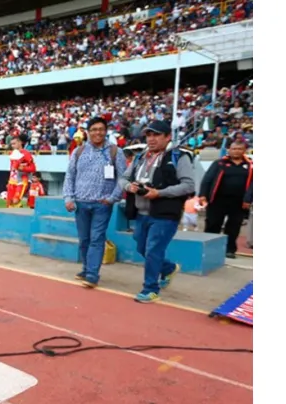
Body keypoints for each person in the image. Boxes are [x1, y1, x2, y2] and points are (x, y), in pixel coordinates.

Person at [118, 120, 195, 303]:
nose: (151, 139)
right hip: (141, 212)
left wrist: (159, 193)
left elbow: (189, 186)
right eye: (148, 135)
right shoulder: (140, 157)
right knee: (141, 246)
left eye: (156, 135)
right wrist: (130, 187)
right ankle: (168, 268)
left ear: (168, 137)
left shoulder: (179, 156)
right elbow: (123, 178)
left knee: (153, 249)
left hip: (165, 214)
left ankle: (150, 289)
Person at [62, 117, 127, 288]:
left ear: (106, 131)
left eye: (101, 129)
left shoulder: (115, 152)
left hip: (102, 204)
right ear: (88, 132)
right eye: (93, 129)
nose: (97, 132)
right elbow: (70, 176)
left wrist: (112, 198)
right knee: (84, 239)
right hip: (81, 203)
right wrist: (68, 197)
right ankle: (85, 268)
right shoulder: (79, 151)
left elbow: (123, 178)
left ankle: (92, 274)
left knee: (97, 238)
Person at [198, 139, 253, 258]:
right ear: (229, 150)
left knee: (234, 226)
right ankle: (209, 249)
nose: (236, 151)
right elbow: (207, 179)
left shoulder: (250, 166)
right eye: (234, 149)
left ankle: (229, 250)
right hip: (217, 200)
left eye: (239, 149)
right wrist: (203, 195)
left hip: (239, 202)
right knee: (213, 224)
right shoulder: (219, 163)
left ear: (244, 151)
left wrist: (249, 199)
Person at [6, 137, 36, 208]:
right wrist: (9, 181)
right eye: (12, 144)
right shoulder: (12, 153)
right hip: (12, 181)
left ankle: (21, 210)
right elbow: (12, 168)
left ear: (20, 143)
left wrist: (23, 168)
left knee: (15, 201)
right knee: (9, 204)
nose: (13, 146)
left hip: (22, 180)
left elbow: (33, 168)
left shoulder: (26, 154)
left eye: (14, 143)